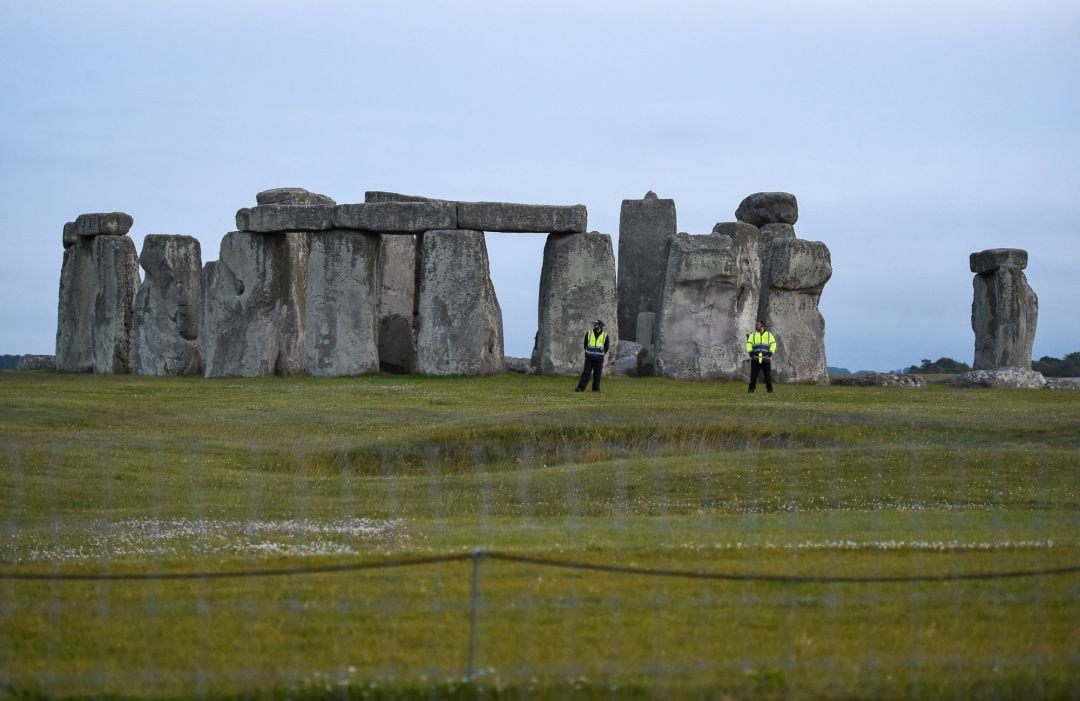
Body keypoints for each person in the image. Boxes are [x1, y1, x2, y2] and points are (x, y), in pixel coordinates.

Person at [575, 319, 609, 392]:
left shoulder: (605, 335)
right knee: (586, 373)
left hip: (599, 358)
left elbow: (606, 347)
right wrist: (588, 352)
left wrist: (601, 353)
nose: (594, 325)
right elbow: (585, 344)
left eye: (596, 324)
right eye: (594, 324)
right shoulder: (589, 333)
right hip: (589, 358)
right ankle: (580, 388)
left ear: (600, 326)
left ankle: (596, 389)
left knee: (597, 374)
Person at [746, 319, 776, 393]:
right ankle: (751, 390)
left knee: (768, 377)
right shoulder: (752, 335)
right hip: (755, 359)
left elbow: (773, 344)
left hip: (766, 359)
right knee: (753, 376)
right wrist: (752, 354)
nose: (756, 326)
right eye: (756, 325)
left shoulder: (769, 335)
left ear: (762, 326)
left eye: (758, 325)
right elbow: (749, 344)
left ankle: (770, 390)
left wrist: (769, 355)